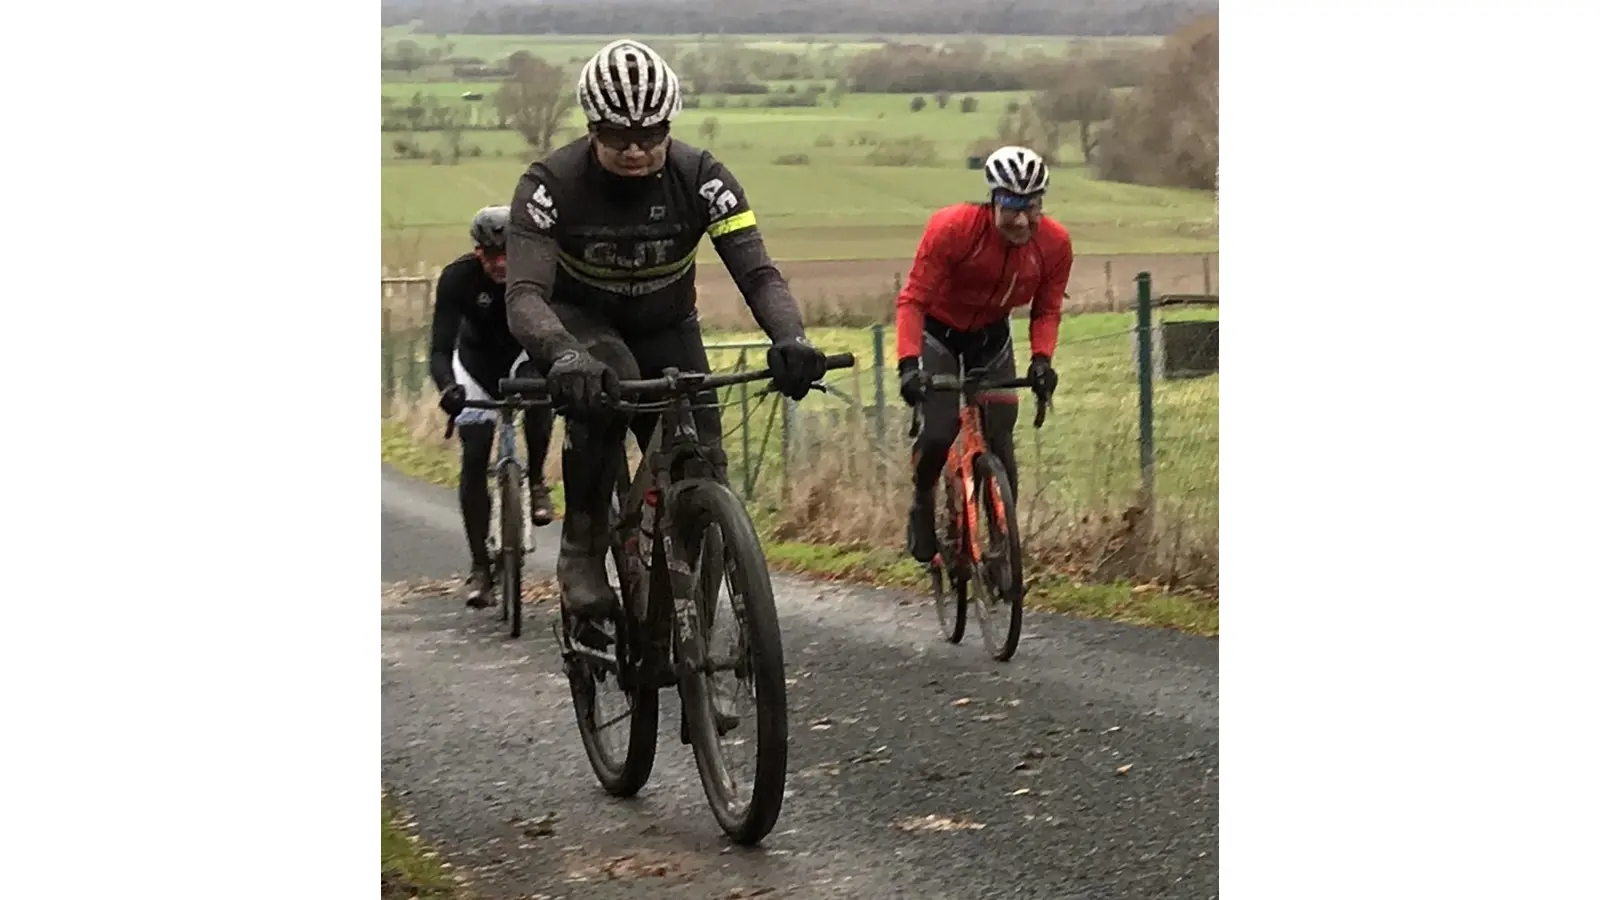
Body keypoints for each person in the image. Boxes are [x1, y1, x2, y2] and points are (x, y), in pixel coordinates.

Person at [502, 39, 828, 637]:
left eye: (651, 135)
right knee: (608, 384)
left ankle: (692, 626)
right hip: (585, 326)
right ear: (591, 127)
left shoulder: (703, 179)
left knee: (705, 460)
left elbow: (756, 271)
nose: (635, 150)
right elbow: (523, 294)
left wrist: (791, 337)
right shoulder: (550, 184)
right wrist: (562, 353)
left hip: (667, 326)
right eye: (617, 136)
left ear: (668, 125)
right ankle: (583, 546)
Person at [895, 146, 1073, 563]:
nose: (1023, 220)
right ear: (994, 199)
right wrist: (908, 365)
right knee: (938, 433)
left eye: (1032, 207)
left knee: (1000, 434)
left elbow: (1046, 308)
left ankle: (1001, 546)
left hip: (990, 335)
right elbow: (913, 300)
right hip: (938, 331)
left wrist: (1042, 360)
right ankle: (922, 502)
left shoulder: (1055, 244)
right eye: (1012, 206)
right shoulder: (954, 228)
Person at [429, 205, 557, 608]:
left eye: (508, 254)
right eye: (490, 255)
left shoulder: (540, 272)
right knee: (474, 453)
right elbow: (438, 348)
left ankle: (536, 481)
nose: (500, 264)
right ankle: (481, 568)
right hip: (475, 365)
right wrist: (447, 387)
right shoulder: (457, 278)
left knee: (538, 393)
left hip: (523, 357)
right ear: (477, 252)